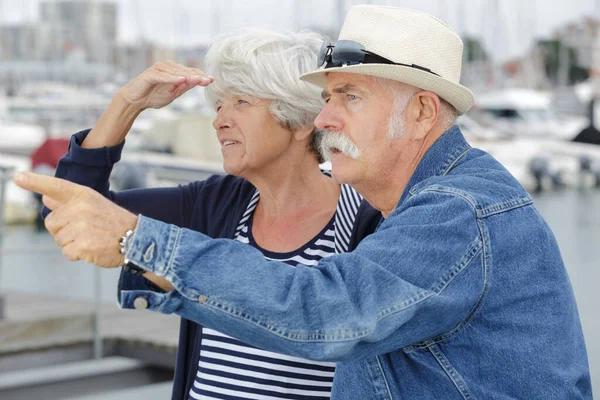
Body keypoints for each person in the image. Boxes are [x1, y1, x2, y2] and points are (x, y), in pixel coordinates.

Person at [16, 6, 592, 399]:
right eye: (326, 96)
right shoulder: (416, 206)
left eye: (349, 95)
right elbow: (71, 212)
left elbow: (326, 311)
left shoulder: (456, 213)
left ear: (420, 113)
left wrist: (136, 240)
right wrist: (124, 107)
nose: (325, 117)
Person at [28, 29, 381, 399]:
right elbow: (69, 208)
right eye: (218, 105)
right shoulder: (215, 204)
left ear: (300, 119)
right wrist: (126, 105)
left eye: (241, 102)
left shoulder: (366, 224)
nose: (220, 120)